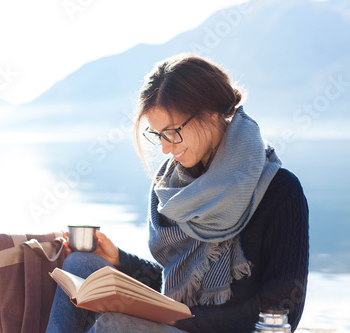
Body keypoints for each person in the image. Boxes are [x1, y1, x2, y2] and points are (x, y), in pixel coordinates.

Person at [46, 53, 309, 333]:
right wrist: (119, 260)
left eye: (172, 132)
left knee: (115, 325)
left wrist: (177, 319)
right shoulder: (172, 190)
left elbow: (283, 309)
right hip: (178, 323)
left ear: (210, 112)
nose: (165, 149)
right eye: (158, 135)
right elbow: (174, 284)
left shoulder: (280, 191)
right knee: (79, 264)